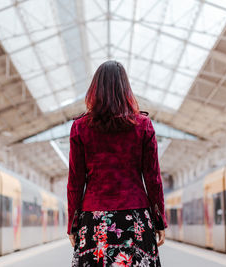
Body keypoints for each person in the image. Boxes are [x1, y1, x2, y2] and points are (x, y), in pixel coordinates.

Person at [67, 60, 168, 266]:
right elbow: (153, 178)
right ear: (126, 89)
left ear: (94, 90)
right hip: (136, 217)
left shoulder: (80, 128)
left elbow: (75, 183)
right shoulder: (143, 126)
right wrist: (159, 221)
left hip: (94, 221)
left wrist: (73, 224)